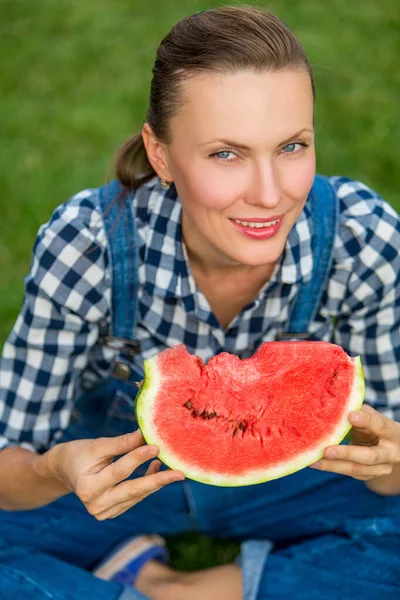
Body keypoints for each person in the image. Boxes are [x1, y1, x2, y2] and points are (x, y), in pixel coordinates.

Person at [0, 5, 399, 600]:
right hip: (124, 483)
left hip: (294, 482)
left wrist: (392, 460)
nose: (270, 194)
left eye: (292, 146)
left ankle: (182, 587)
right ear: (160, 155)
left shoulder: (363, 239)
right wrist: (56, 469)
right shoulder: (87, 244)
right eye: (226, 154)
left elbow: (388, 462)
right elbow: (10, 466)